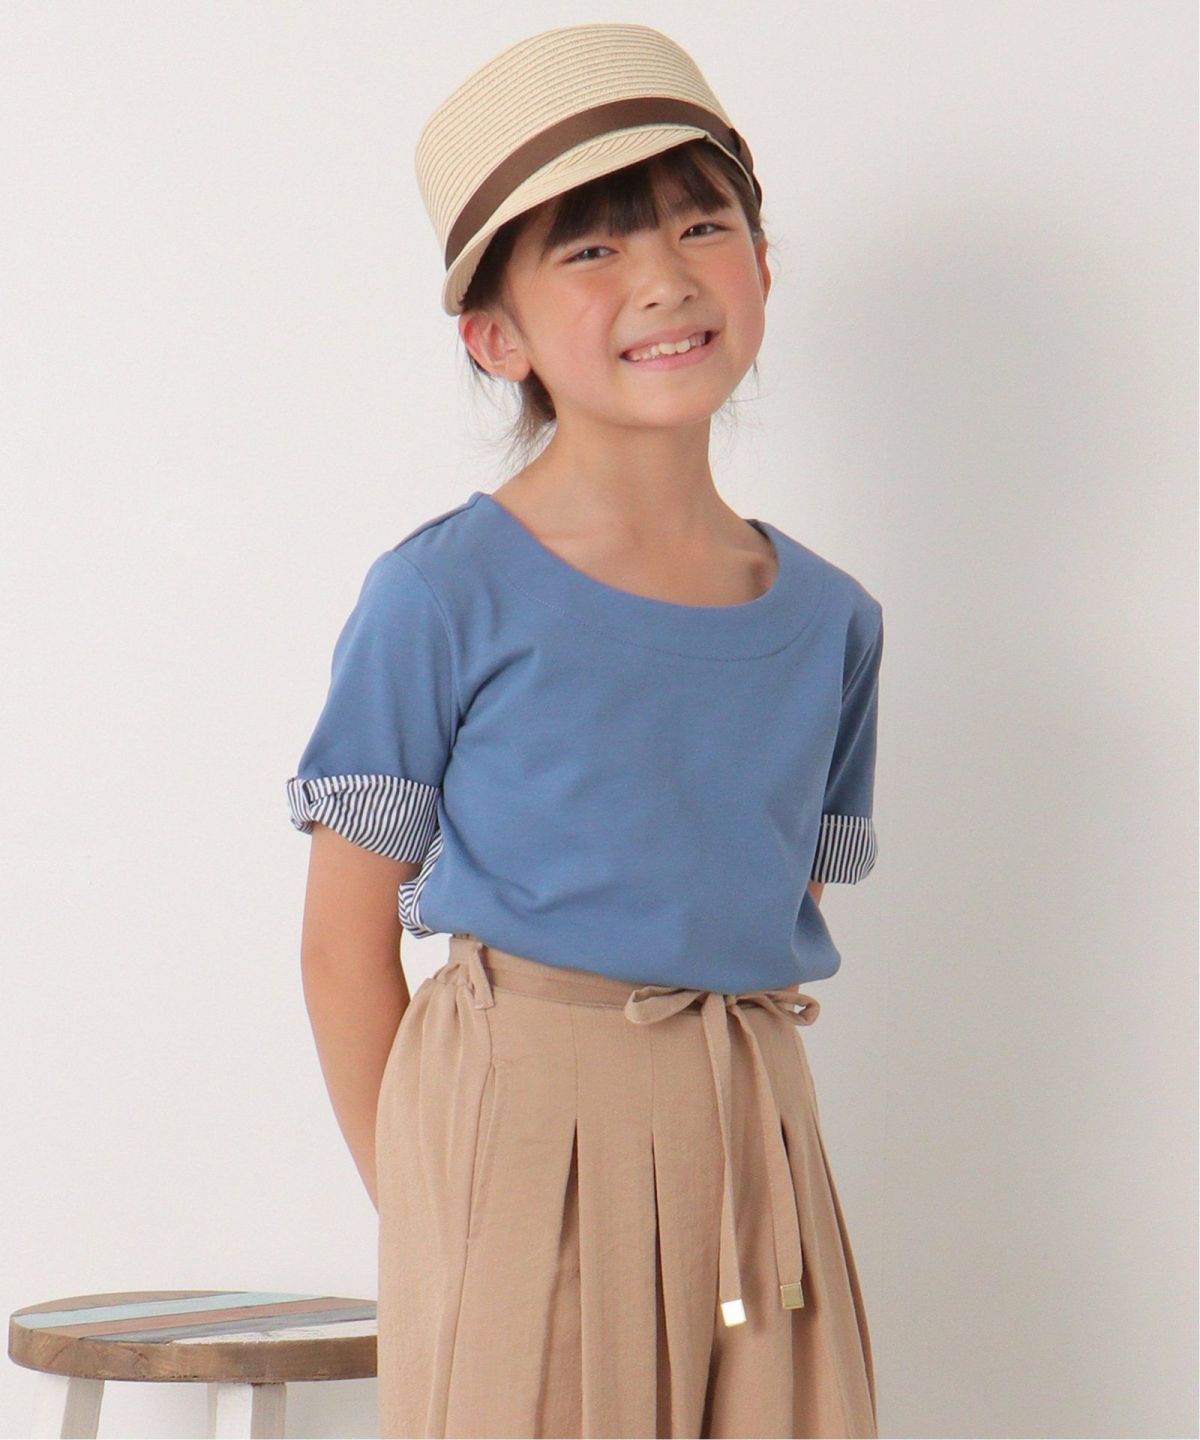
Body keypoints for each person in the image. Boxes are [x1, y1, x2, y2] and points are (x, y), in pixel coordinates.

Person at [286, 22, 883, 1440]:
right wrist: (435, 1214)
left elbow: (772, 892)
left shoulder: (833, 619)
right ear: (496, 337)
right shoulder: (442, 594)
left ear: (762, 265)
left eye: (700, 224)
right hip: (518, 1133)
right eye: (594, 248)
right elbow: (342, 947)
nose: (664, 276)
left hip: (753, 1131)